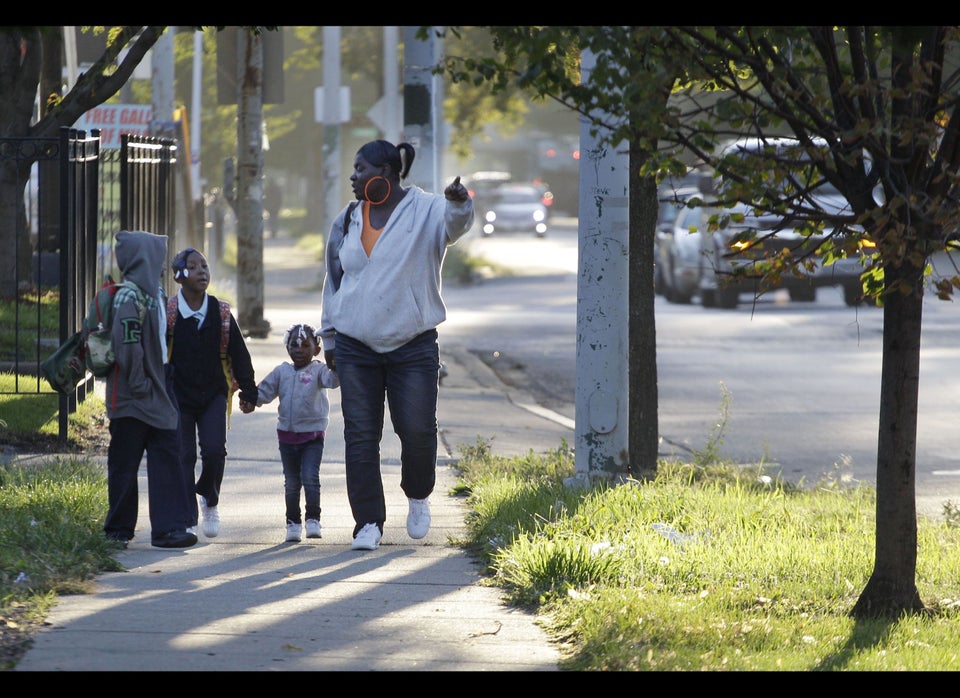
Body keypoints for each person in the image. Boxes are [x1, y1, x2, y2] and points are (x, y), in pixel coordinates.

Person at [319, 139, 474, 551]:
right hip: (355, 346)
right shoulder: (349, 217)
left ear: (385, 173)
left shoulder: (424, 210)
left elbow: (455, 225)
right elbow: (333, 280)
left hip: (413, 344)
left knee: (418, 431)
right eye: (353, 169)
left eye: (359, 168)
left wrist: (459, 202)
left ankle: (418, 495)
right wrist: (329, 336)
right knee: (361, 436)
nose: (353, 177)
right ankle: (367, 522)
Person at [102, 230, 197, 549]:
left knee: (168, 456)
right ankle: (118, 529)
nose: (161, 265)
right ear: (144, 258)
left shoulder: (153, 293)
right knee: (125, 463)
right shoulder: (130, 297)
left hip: (157, 388)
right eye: (156, 257)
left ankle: (169, 528)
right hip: (132, 394)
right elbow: (127, 345)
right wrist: (141, 384)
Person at [166, 247, 258, 539]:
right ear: (179, 275)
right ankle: (186, 513)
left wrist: (248, 390)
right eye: (193, 266)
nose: (202, 271)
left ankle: (210, 498)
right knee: (183, 454)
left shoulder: (221, 312)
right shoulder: (168, 314)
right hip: (178, 395)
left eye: (204, 265)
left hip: (214, 394)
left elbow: (239, 355)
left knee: (215, 450)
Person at [239, 324, 339, 543]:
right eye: (294, 344)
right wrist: (251, 401)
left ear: (316, 350)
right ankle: (293, 523)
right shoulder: (281, 372)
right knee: (292, 483)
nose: (299, 349)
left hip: (313, 436)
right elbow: (264, 392)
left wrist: (337, 364)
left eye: (305, 345)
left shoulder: (319, 371)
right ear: (287, 348)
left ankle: (313, 519)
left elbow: (333, 381)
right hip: (287, 437)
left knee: (310, 478)